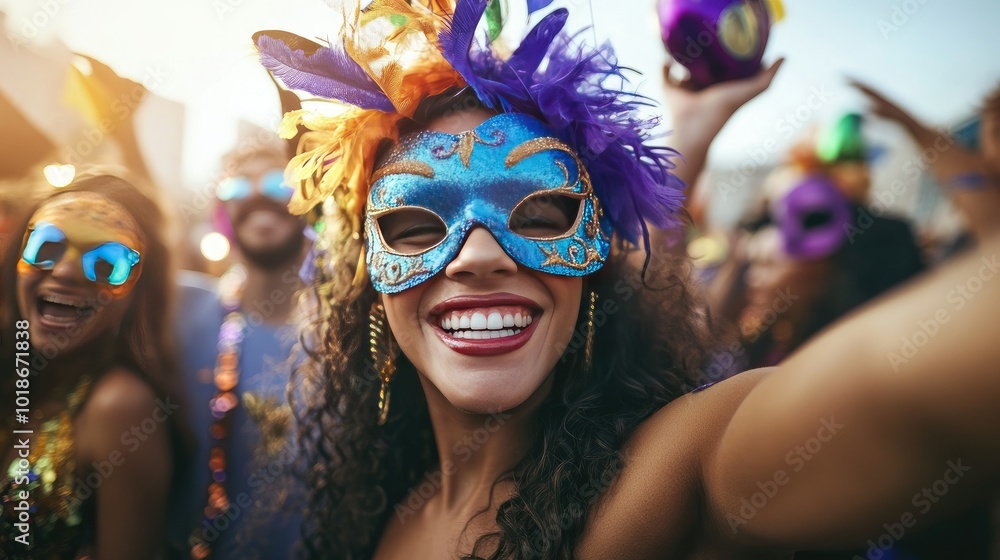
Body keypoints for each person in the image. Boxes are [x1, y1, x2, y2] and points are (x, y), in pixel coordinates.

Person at [256, 1, 1000, 558]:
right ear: (371, 281)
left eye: (543, 212)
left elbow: (896, 390)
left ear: (598, 267)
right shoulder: (376, 504)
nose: (478, 256)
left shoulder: (663, 481)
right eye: (416, 222)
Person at [0, 172, 186, 559]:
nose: (66, 271)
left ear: (138, 293)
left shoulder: (120, 407)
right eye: (47, 245)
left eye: (108, 262)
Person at [166, 142, 307, 559]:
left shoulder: (351, 331)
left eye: (279, 184)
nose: (258, 195)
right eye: (237, 188)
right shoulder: (183, 308)